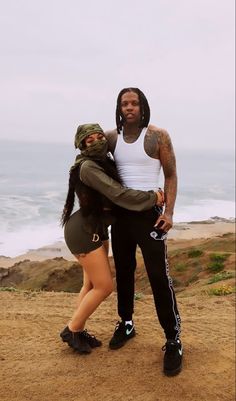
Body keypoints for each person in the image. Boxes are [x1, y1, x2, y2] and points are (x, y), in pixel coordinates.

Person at [60, 123, 164, 355]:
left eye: (100, 136)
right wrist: (153, 197)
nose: (97, 141)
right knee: (105, 286)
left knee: (90, 284)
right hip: (84, 232)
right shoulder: (88, 167)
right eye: (90, 140)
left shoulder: (102, 162)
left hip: (95, 228)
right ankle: (71, 329)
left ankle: (78, 328)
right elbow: (117, 193)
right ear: (82, 145)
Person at [105, 87, 183, 376]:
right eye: (124, 103)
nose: (129, 108)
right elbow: (97, 169)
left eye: (134, 103)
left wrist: (169, 212)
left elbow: (171, 173)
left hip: (150, 216)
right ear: (119, 107)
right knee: (123, 271)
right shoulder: (111, 138)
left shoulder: (157, 136)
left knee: (158, 276)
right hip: (121, 216)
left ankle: (173, 338)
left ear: (142, 106)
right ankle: (126, 323)